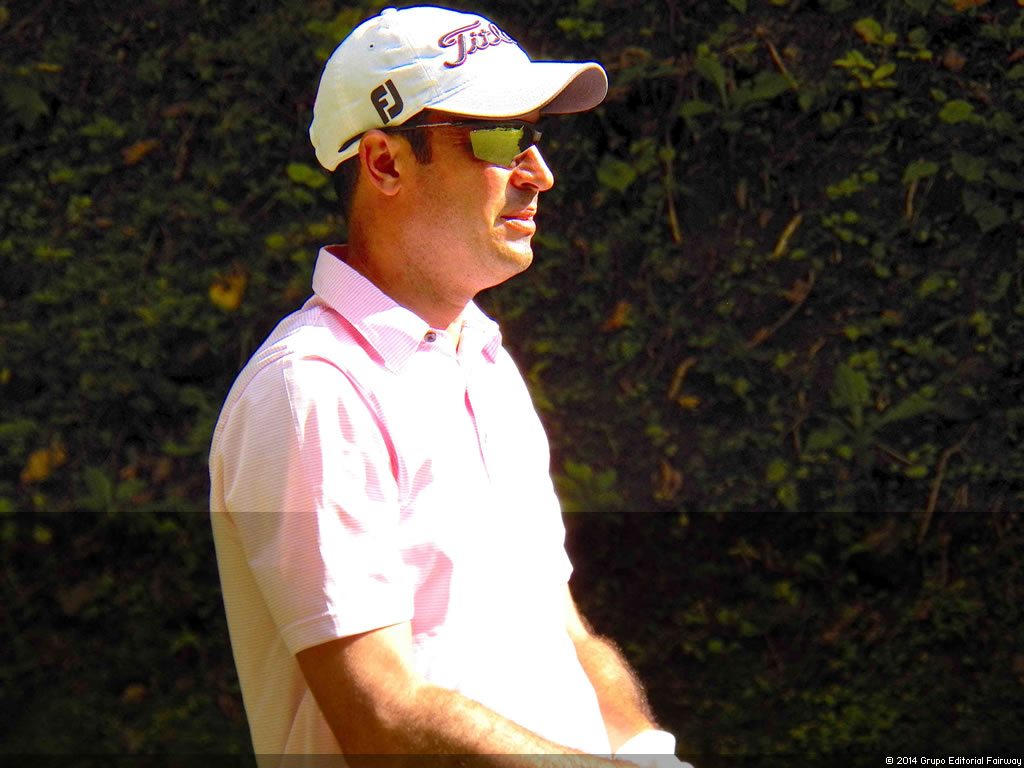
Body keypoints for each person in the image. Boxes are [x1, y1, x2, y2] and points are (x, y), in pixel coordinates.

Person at [209, 6, 689, 766]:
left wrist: (649, 751)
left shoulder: (484, 360)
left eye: (533, 135)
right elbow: (383, 716)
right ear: (385, 164)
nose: (539, 172)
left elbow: (563, 631)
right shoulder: (311, 391)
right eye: (498, 138)